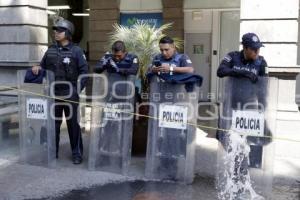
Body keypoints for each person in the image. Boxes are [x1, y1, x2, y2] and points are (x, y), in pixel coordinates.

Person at [216, 32, 267, 198]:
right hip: (230, 108)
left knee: (244, 145)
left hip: (248, 110)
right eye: (254, 49)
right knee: (230, 142)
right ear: (245, 48)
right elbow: (221, 71)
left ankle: (240, 178)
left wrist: (263, 108)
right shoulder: (232, 57)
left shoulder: (261, 62)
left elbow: (263, 88)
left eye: (258, 49)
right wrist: (243, 73)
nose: (257, 52)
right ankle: (234, 176)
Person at [32, 19, 88, 164]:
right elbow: (43, 67)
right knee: (53, 125)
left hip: (70, 93)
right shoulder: (50, 50)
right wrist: (37, 67)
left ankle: (77, 154)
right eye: (55, 30)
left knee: (73, 126)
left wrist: (77, 90)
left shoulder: (76, 51)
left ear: (67, 33)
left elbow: (84, 73)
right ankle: (53, 152)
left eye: (59, 30)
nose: (56, 33)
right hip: (53, 93)